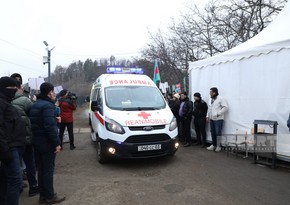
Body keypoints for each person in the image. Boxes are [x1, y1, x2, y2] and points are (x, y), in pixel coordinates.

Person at [30, 82, 65, 204]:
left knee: (41, 170)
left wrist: (53, 119)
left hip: (37, 141)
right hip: (46, 143)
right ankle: (50, 196)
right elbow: (49, 127)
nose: (54, 94)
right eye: (53, 92)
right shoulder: (48, 106)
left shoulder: (36, 104)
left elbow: (39, 122)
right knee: (48, 170)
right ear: (49, 93)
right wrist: (57, 143)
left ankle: (43, 196)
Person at [0, 76, 26, 205]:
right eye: (12, 88)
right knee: (15, 181)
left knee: (6, 179)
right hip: (9, 148)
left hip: (12, 147)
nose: (15, 90)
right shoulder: (1, 103)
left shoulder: (6, 102)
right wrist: (5, 150)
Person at [11, 79, 39, 197]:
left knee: (15, 165)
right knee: (30, 162)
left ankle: (17, 187)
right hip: (26, 137)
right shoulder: (25, 100)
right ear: (19, 88)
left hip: (11, 140)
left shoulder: (4, 101)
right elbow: (35, 116)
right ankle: (33, 186)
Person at [206, 87, 229, 152]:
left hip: (218, 119)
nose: (209, 93)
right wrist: (207, 116)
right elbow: (209, 108)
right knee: (212, 132)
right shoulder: (210, 99)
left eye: (210, 92)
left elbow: (226, 107)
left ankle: (218, 146)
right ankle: (213, 145)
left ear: (214, 92)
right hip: (211, 118)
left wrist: (218, 113)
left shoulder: (221, 98)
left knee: (218, 132)